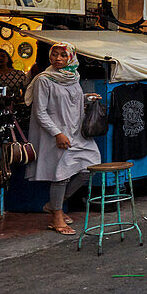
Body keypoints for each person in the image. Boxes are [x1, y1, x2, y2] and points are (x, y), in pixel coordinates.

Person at [25, 43, 101, 235]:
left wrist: (85, 98)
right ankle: (57, 217)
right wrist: (57, 134)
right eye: (54, 55)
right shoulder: (44, 79)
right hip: (56, 134)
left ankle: (53, 204)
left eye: (62, 55)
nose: (58, 59)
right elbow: (40, 112)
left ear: (71, 58)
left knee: (89, 167)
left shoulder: (73, 77)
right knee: (61, 176)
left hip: (77, 132)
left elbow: (69, 100)